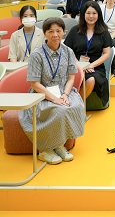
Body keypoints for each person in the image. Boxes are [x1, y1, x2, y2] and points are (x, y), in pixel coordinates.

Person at [18, 17, 85, 165]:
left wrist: (65, 95)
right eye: (51, 31)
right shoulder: (37, 55)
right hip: (41, 93)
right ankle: (45, 150)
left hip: (63, 90)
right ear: (44, 33)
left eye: (58, 31)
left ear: (63, 32)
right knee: (58, 110)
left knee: (75, 106)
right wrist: (54, 99)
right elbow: (34, 83)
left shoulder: (68, 52)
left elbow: (71, 78)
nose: (55, 35)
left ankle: (59, 145)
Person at [64, 1, 112, 105]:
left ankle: (76, 106)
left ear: (98, 15)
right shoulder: (74, 30)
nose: (91, 16)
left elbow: (107, 53)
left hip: (95, 67)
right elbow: (68, 51)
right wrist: (79, 65)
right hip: (75, 65)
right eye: (88, 13)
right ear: (83, 14)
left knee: (91, 79)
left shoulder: (104, 31)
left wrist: (91, 65)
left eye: (94, 13)